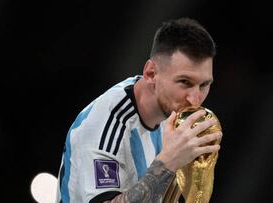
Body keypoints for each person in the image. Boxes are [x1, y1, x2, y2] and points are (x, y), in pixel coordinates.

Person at [55, 17, 223, 203]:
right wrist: (168, 163)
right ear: (151, 73)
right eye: (185, 82)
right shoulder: (104, 126)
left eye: (204, 85)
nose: (194, 99)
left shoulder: (173, 113)